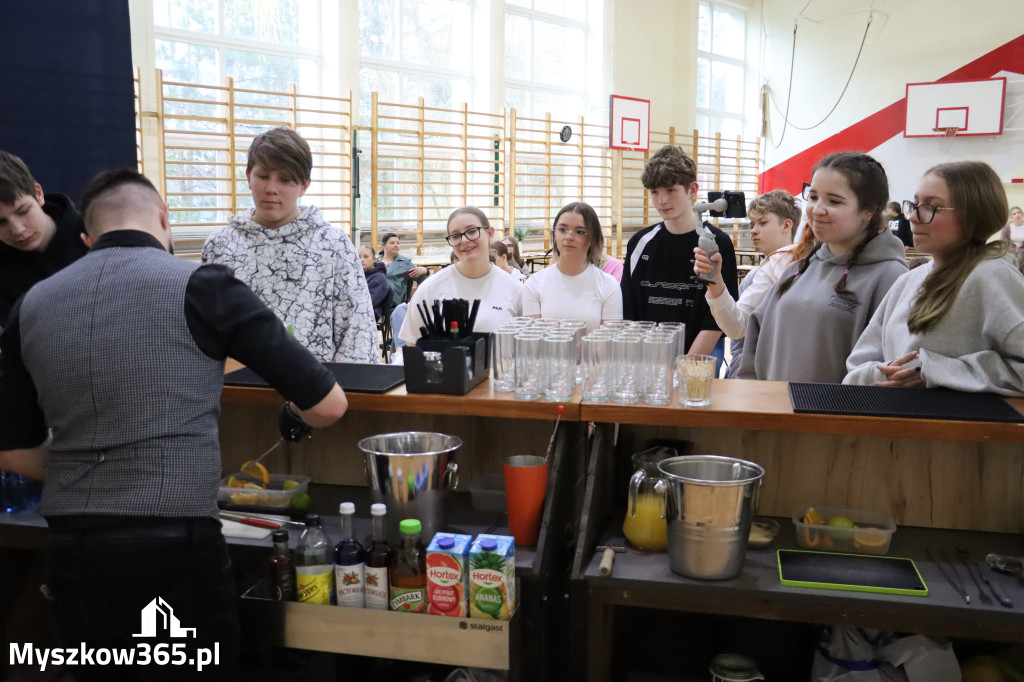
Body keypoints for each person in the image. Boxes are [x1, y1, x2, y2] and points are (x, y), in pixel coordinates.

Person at [0, 169, 347, 681]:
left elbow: (11, 452)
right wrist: (291, 415)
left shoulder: (29, 306)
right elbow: (328, 405)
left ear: (88, 238)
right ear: (164, 220)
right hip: (175, 547)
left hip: (75, 550)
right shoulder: (204, 286)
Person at [844, 161, 1024, 395]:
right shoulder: (908, 280)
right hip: (896, 426)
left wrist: (935, 369)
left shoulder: (993, 277)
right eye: (916, 204)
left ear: (972, 214)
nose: (913, 217)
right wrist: (882, 373)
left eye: (931, 207)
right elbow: (858, 365)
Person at [202, 127, 378, 363]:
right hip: (238, 389)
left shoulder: (332, 245)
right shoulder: (220, 245)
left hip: (318, 393)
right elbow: (204, 333)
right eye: (263, 176)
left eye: (285, 180)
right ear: (248, 176)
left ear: (304, 185)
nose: (271, 189)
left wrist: (341, 395)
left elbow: (358, 334)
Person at [738, 152, 907, 382]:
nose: (817, 209)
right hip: (774, 411)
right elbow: (755, 338)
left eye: (834, 201)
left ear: (869, 210)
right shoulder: (798, 269)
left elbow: (889, 370)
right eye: (814, 196)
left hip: (836, 416)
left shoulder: (892, 277)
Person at [621, 144, 738, 355]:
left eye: (670, 190)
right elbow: (628, 308)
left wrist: (687, 365)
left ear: (692, 190)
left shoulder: (716, 243)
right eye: (654, 192)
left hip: (699, 355)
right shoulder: (639, 242)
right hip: (646, 358)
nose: (662, 200)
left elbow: (716, 320)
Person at [694, 189, 812, 377]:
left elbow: (736, 327)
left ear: (787, 225)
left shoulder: (775, 265)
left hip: (761, 373)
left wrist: (715, 282)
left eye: (763, 223)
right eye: (752, 224)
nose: (754, 230)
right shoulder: (814, 262)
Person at [397, 206, 522, 344]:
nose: (464, 240)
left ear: (490, 233)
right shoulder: (429, 289)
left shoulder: (516, 289)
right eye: (456, 236)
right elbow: (412, 345)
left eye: (472, 231)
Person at [0, 150, 88, 323]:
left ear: (38, 194)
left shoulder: (94, 231)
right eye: (1, 222)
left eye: (23, 211)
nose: (17, 229)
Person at [522, 202, 622, 333]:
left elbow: (609, 344)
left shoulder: (608, 285)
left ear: (592, 238)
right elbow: (532, 343)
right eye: (562, 230)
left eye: (579, 232)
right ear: (555, 233)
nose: (568, 237)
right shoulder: (534, 284)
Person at [379, 232, 428, 309]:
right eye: (392, 243)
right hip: (375, 303)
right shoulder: (374, 261)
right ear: (383, 245)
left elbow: (422, 280)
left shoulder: (405, 263)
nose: (396, 245)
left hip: (395, 306)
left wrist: (425, 270)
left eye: (398, 243)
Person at [359, 245, 391, 319]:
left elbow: (369, 302)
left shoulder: (379, 279)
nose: (361, 260)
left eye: (366, 256)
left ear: (374, 259)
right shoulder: (358, 275)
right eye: (359, 257)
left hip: (367, 315)